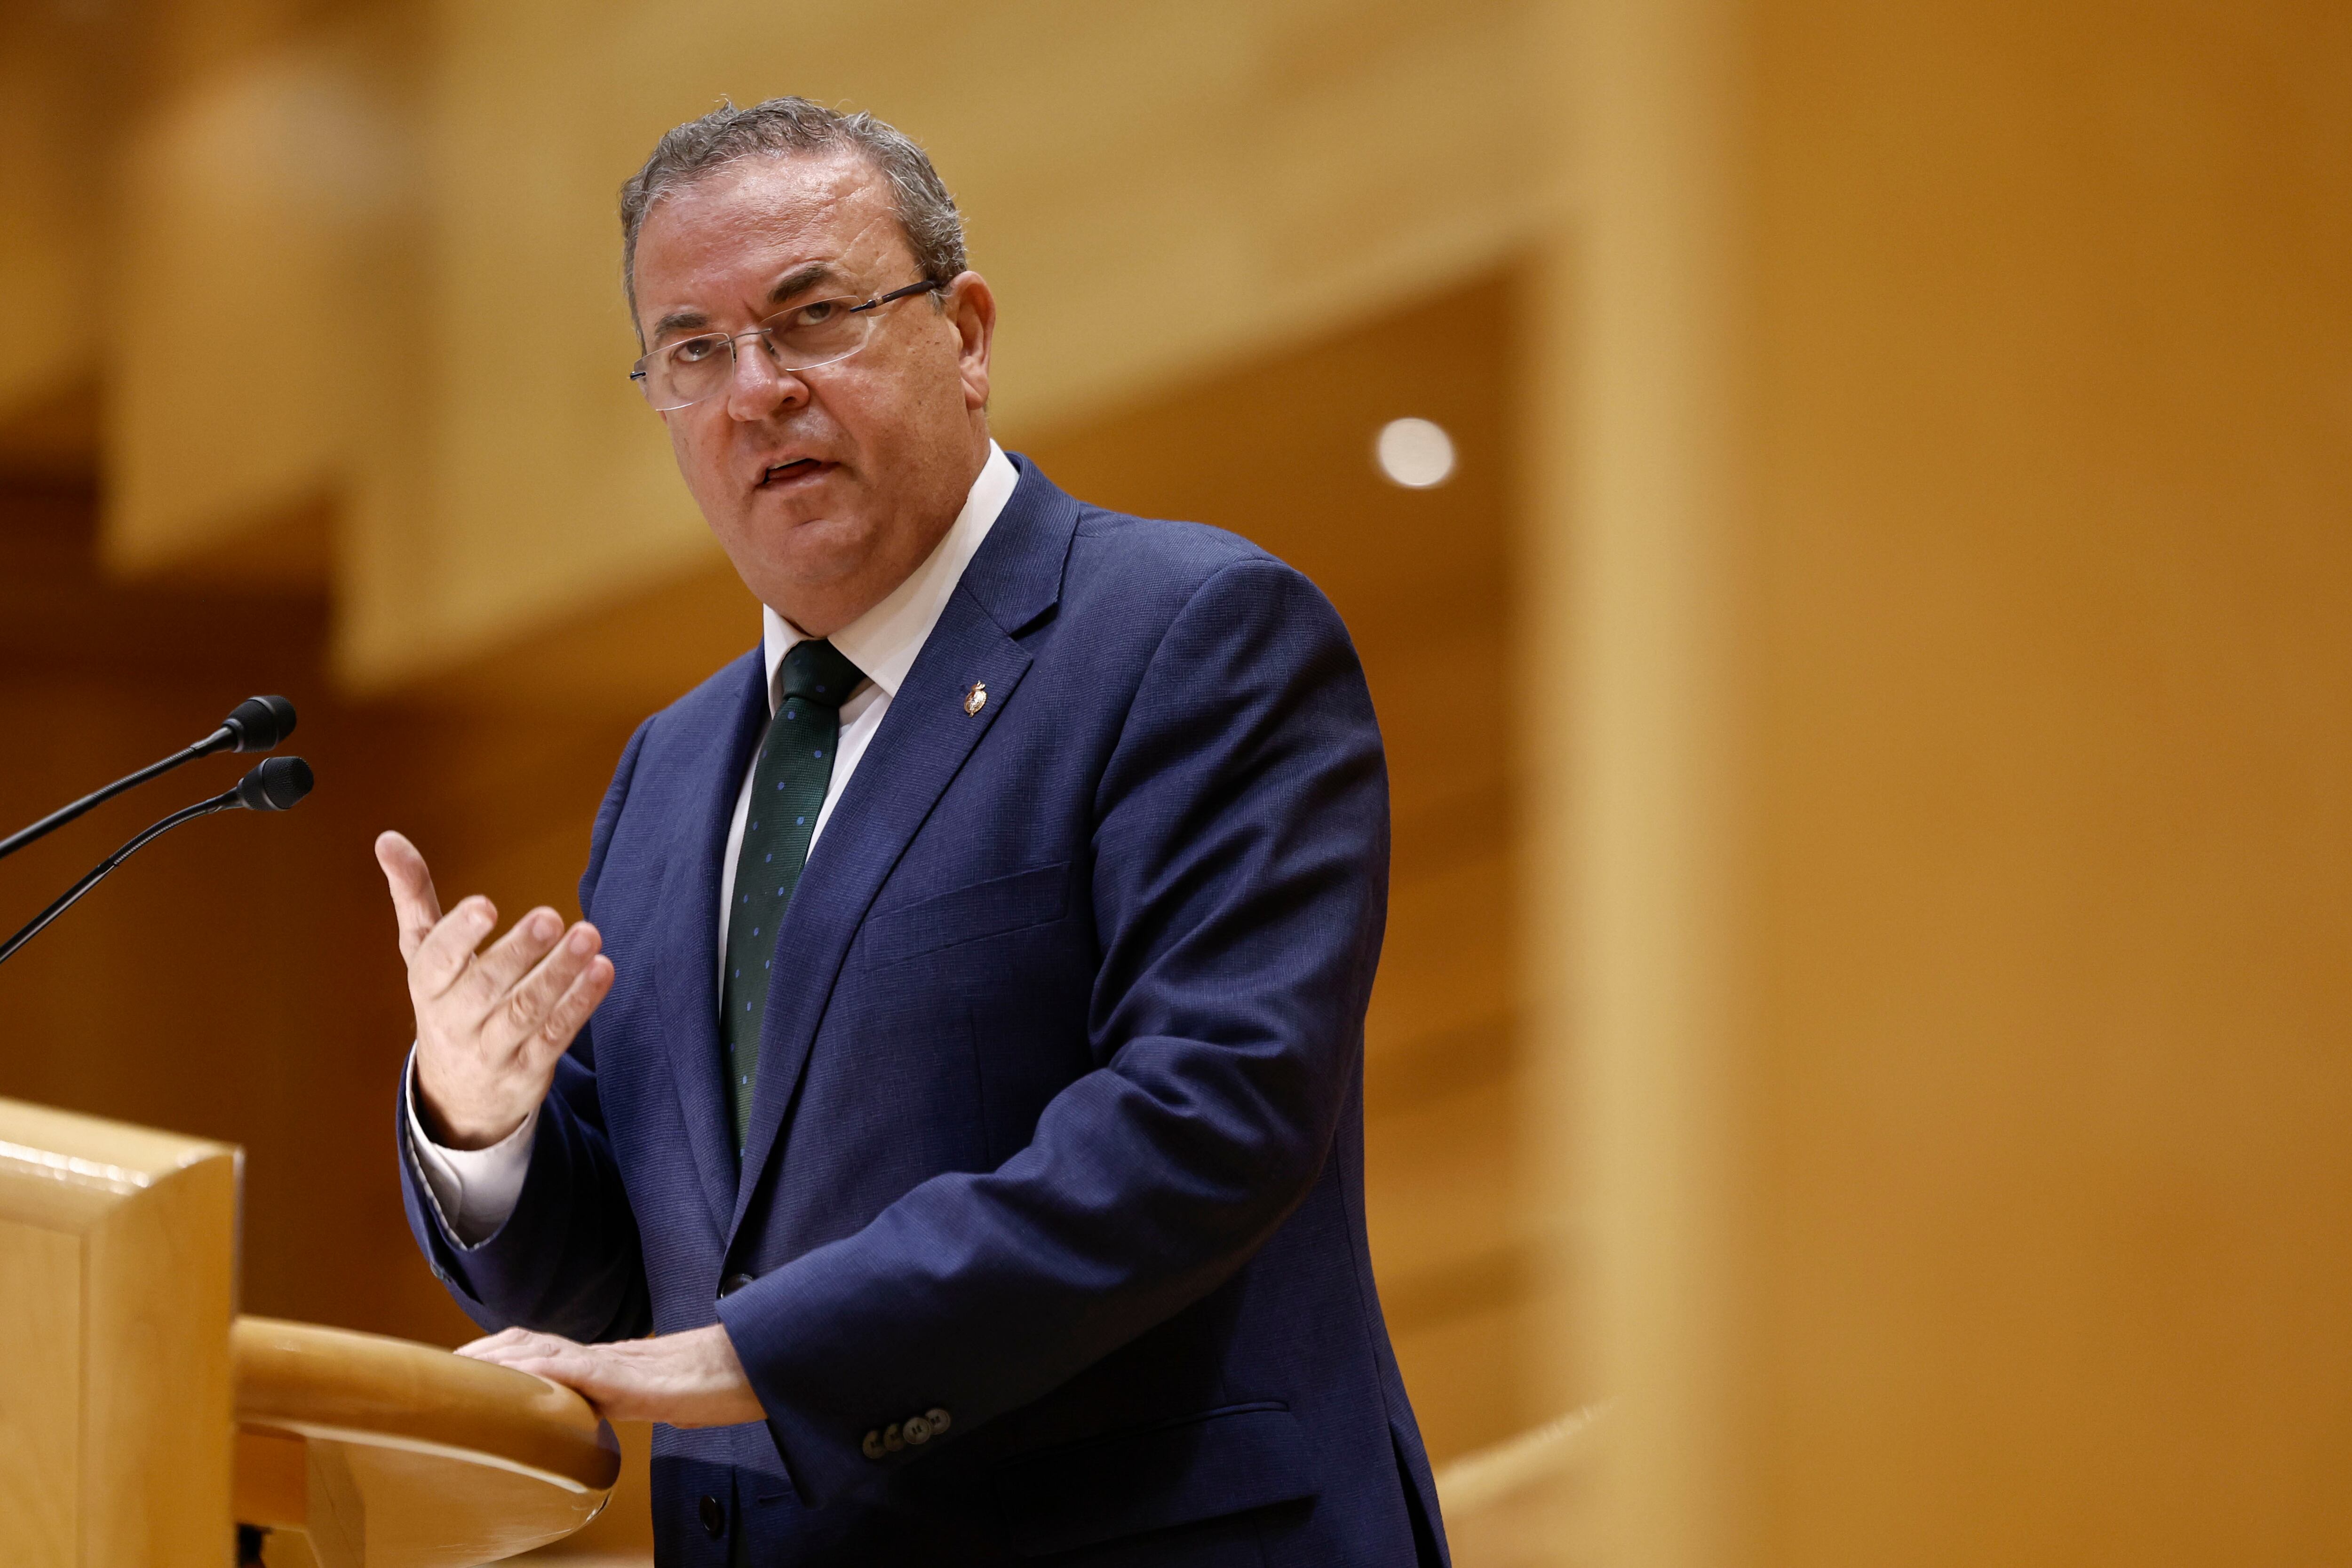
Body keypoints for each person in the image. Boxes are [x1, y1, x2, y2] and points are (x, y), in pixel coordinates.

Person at [377, 97, 1446, 1565]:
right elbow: (632, 1278)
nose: (756, 390)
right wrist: (479, 1124)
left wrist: (742, 1362)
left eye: (812, 317)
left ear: (969, 334)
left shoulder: (1191, 637)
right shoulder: (669, 773)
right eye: (695, 350)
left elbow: (1208, 1118)